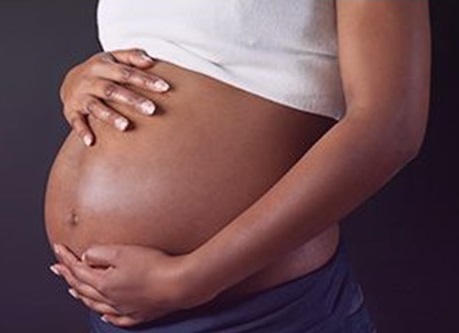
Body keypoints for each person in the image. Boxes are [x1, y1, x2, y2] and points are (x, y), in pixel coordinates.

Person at [45, 0, 431, 332]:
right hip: (120, 310)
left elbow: (390, 128)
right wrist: (76, 81)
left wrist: (190, 279)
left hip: (263, 314)